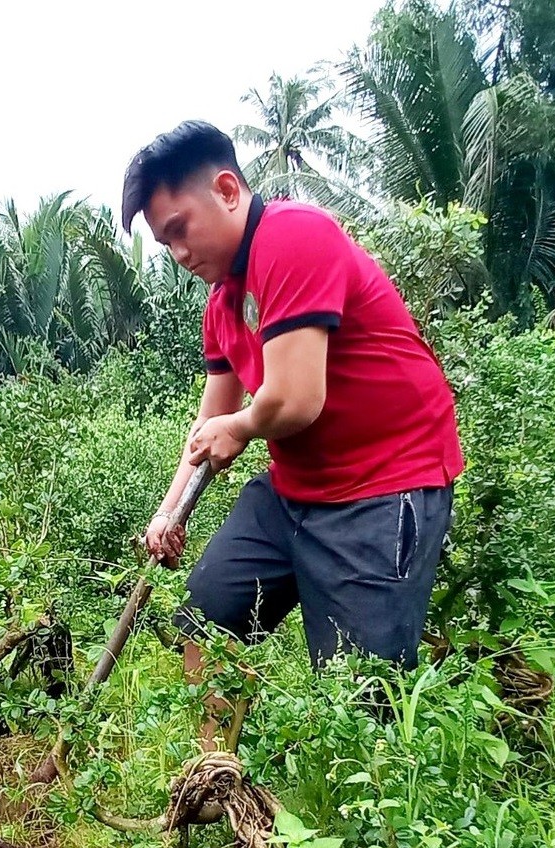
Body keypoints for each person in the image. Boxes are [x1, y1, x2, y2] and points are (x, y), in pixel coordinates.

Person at [121, 121, 463, 749]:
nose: (178, 254)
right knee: (205, 623)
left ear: (227, 190)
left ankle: (371, 838)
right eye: (163, 241)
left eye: (178, 230)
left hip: (386, 490)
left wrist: (244, 426)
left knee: (360, 698)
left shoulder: (294, 236)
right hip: (296, 490)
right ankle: (217, 777)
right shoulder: (223, 304)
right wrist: (169, 513)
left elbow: (296, 401)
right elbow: (209, 426)